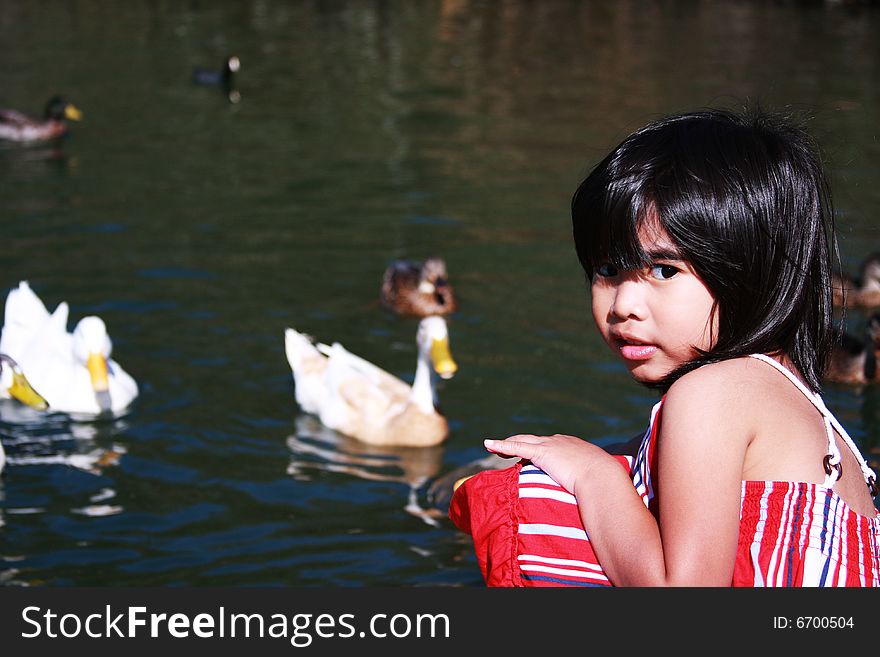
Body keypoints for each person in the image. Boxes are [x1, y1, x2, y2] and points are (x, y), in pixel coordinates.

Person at [451, 107, 879, 586]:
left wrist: (594, 475)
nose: (624, 305)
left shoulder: (712, 393)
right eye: (608, 270)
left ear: (751, 269)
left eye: (664, 270)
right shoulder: (796, 400)